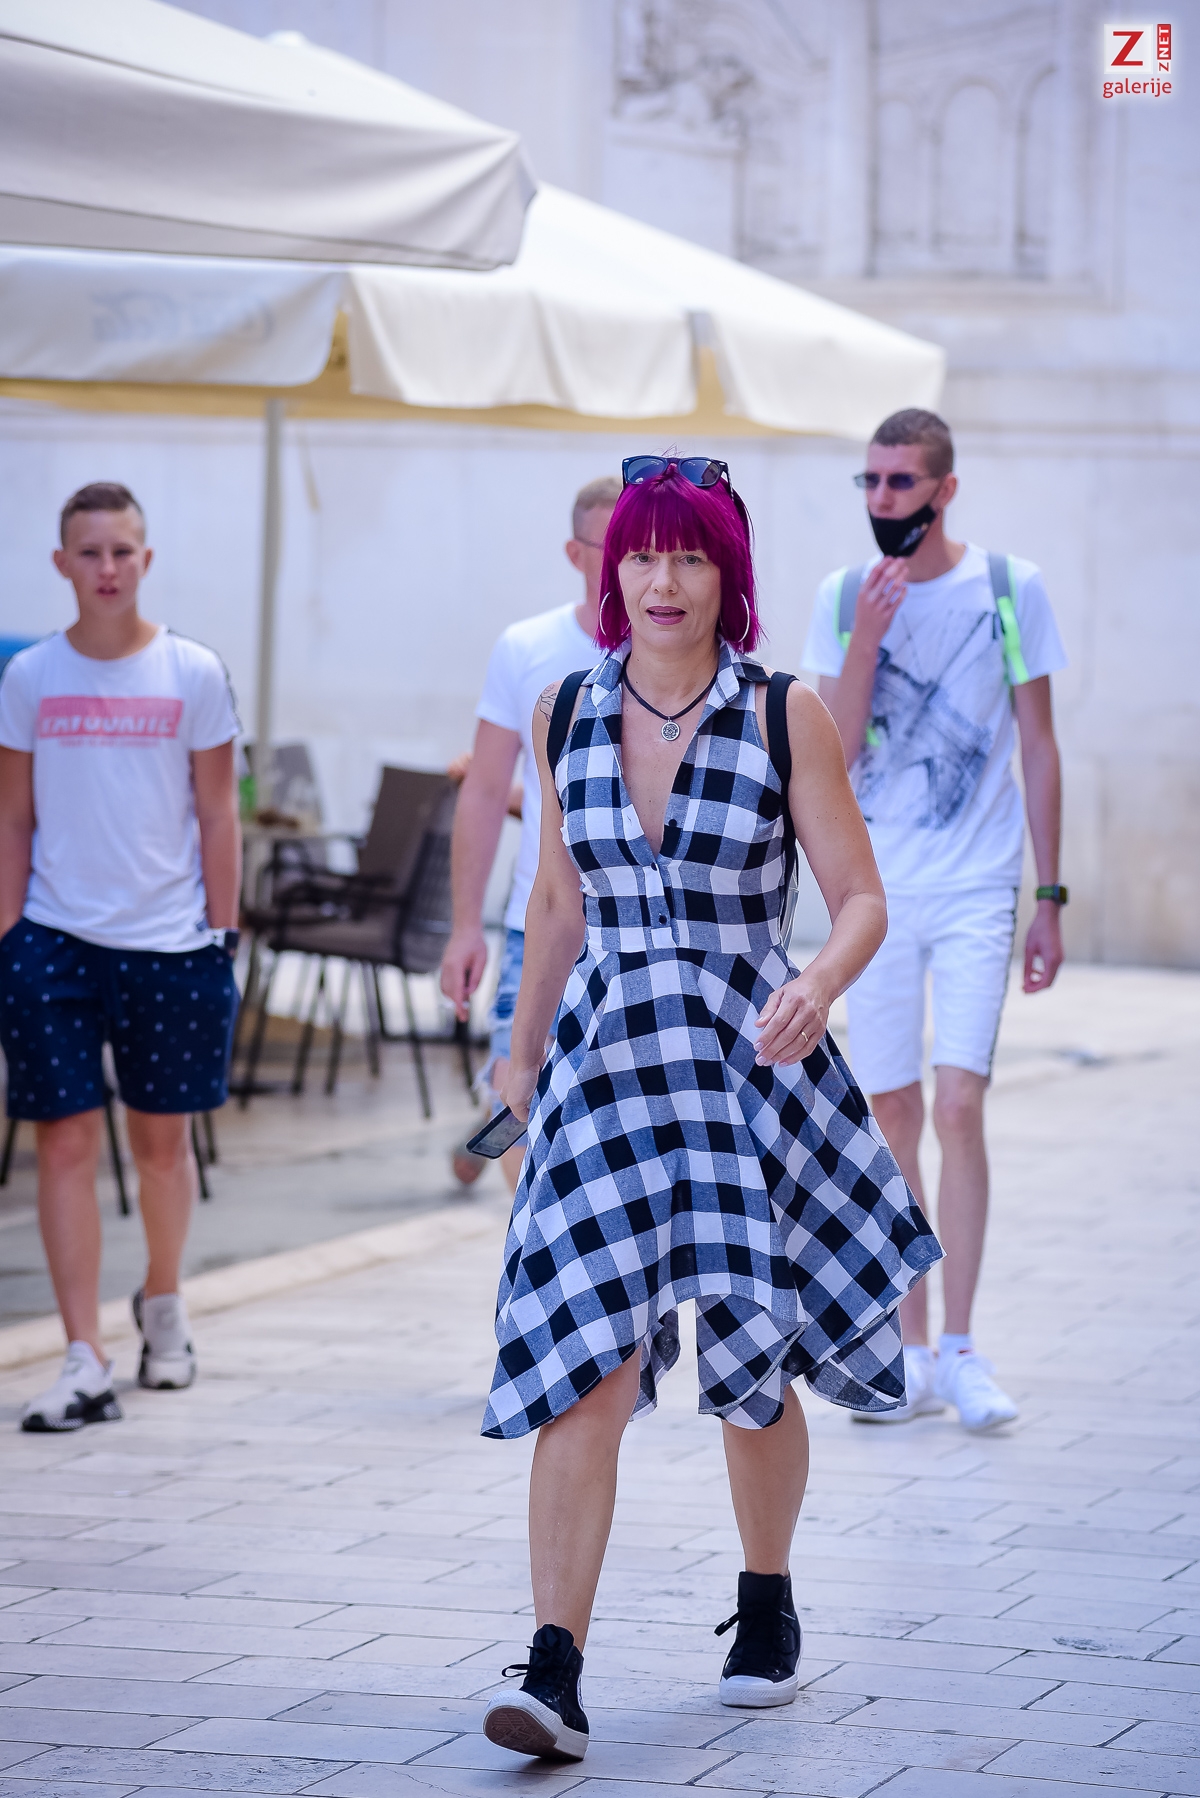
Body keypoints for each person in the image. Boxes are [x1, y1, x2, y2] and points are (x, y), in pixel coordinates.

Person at [479, 458, 941, 1761]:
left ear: (726, 572)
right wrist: (519, 1056)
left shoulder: (786, 711)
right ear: (610, 569)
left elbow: (860, 894)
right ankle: (554, 1667)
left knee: (754, 1358)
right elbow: (556, 902)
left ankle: (766, 1596)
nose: (662, 579)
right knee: (585, 1355)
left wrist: (819, 983)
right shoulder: (565, 708)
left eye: (689, 554)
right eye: (641, 553)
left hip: (748, 1055)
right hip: (608, 1062)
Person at [804, 409, 1067, 1433]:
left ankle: (962, 1347)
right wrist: (867, 639)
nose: (882, 501)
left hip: (976, 885)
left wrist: (1050, 896)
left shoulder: (1008, 588)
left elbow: (1038, 745)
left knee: (958, 1103)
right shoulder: (842, 597)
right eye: (869, 482)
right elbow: (830, 755)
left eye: (901, 483)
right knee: (893, 1114)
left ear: (944, 490)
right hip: (875, 891)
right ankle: (909, 1350)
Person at [0, 482, 241, 1432]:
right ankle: (82, 1355)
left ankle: (163, 1301)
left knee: (160, 1145)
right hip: (52, 941)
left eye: (122, 551)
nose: (107, 568)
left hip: (172, 943)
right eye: (90, 552)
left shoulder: (193, 672)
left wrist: (222, 934)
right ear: (61, 563)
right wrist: (10, 934)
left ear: (147, 560)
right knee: (61, 1142)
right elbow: (12, 817)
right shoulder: (30, 677)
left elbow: (217, 813)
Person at [441, 475, 620, 1193]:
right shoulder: (527, 647)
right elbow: (485, 792)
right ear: (575, 554)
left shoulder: (681, 652)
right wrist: (465, 928)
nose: (632, 564)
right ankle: (535, 1248)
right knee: (516, 1107)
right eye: (613, 546)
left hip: (639, 932)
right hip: (538, 924)